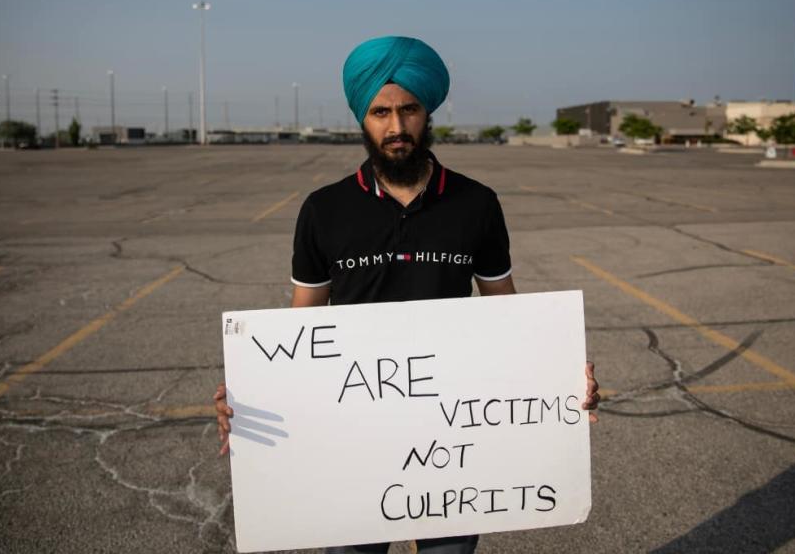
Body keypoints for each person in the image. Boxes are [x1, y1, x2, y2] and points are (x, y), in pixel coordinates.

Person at [214, 35, 599, 554]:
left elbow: (508, 311)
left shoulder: (476, 204)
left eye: (409, 109)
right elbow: (299, 328)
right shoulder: (324, 210)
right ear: (362, 118)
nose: (396, 127)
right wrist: (253, 393)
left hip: (452, 448)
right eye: (380, 112)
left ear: (427, 111)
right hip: (354, 442)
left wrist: (559, 381)